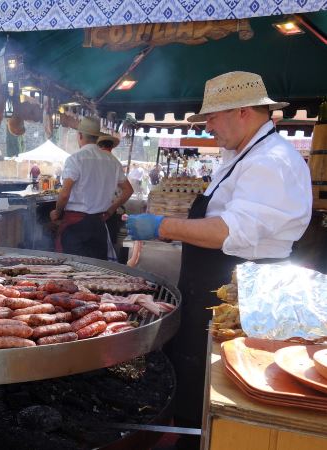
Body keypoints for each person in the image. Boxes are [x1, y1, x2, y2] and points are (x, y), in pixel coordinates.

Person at [126, 71, 312, 448]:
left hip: (241, 292)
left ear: (242, 111)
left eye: (211, 117)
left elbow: (229, 231)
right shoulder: (241, 155)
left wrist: (164, 227)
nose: (206, 125)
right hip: (214, 284)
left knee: (218, 389)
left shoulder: (270, 161)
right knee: (196, 380)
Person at [50, 117, 133, 259]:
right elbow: (128, 190)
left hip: (76, 225)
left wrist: (57, 212)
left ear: (80, 135)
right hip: (99, 224)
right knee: (96, 271)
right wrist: (112, 209)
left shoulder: (75, 159)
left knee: (70, 268)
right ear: (97, 138)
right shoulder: (112, 161)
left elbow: (64, 194)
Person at [97, 135, 125, 248]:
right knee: (108, 246)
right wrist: (111, 209)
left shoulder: (93, 160)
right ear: (112, 147)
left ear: (98, 145)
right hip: (110, 211)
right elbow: (127, 190)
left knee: (96, 244)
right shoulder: (116, 162)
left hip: (94, 211)